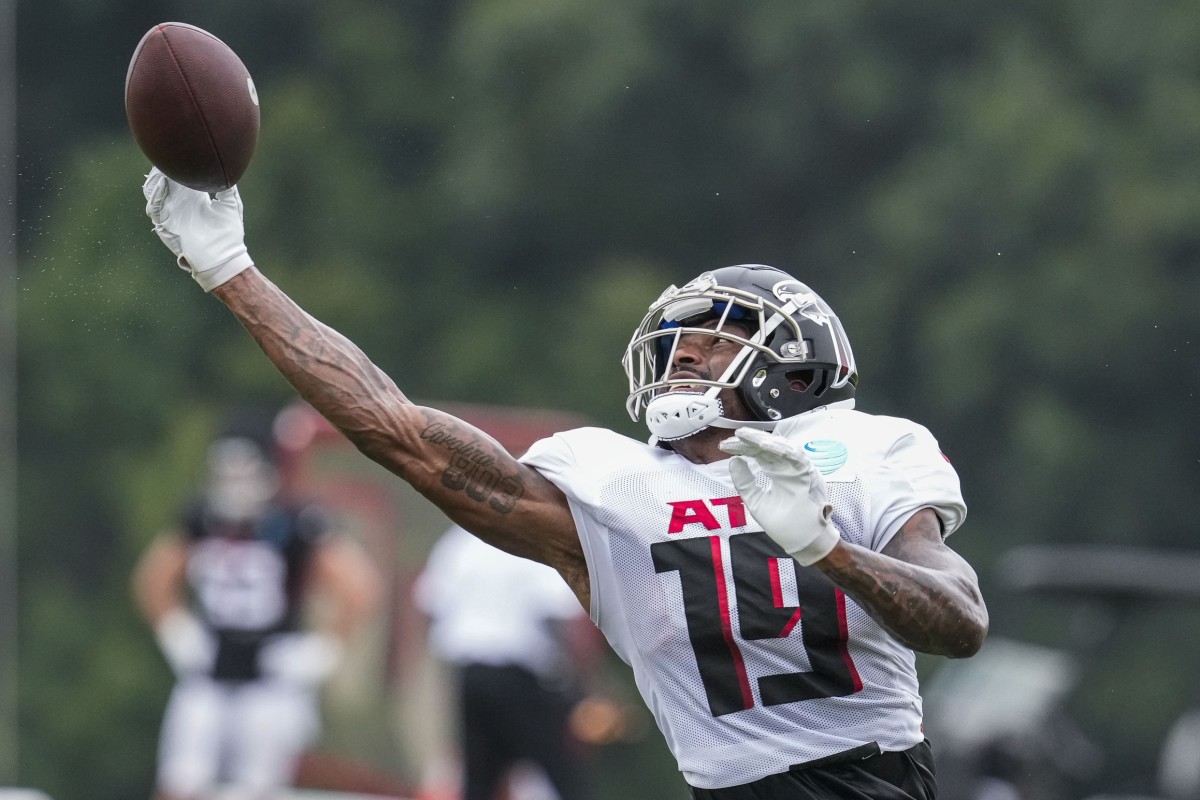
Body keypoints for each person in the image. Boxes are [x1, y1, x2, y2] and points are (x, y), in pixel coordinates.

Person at [138, 168, 989, 799]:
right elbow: (396, 431)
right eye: (676, 340)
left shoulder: (867, 448)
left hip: (875, 784)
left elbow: (959, 625)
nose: (683, 354)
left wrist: (828, 549)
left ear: (796, 364)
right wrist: (230, 269)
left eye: (716, 339)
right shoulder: (611, 480)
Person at [131, 419, 384, 800]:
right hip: (210, 671)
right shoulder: (201, 518)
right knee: (179, 782)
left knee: (259, 789)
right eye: (225, 472)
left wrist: (324, 650)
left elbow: (359, 587)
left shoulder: (295, 521)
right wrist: (176, 631)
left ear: (268, 472)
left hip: (272, 676)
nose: (233, 483)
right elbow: (152, 578)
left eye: (243, 471)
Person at [415, 524, 600, 800]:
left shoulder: (458, 542)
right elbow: (552, 614)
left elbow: (430, 604)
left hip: (469, 674)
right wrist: (580, 683)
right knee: (559, 772)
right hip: (518, 675)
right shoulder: (530, 539)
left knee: (479, 778)